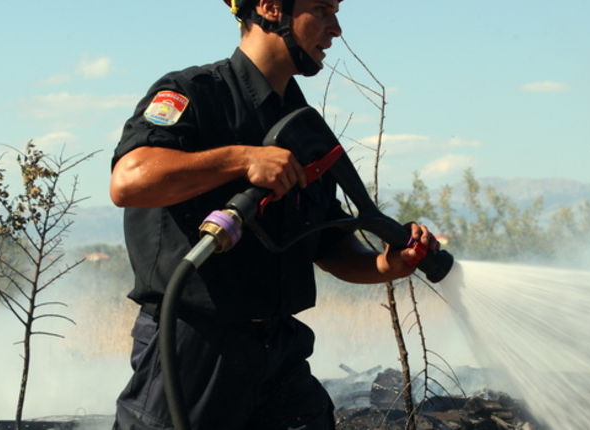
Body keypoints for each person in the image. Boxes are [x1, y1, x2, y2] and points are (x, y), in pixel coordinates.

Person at [109, 0, 440, 428]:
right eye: (321, 9)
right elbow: (130, 181)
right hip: (194, 351)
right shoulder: (194, 92)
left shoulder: (303, 126)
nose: (335, 28)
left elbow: (326, 241)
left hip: (277, 350)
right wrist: (242, 159)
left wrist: (388, 264)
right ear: (268, 6)